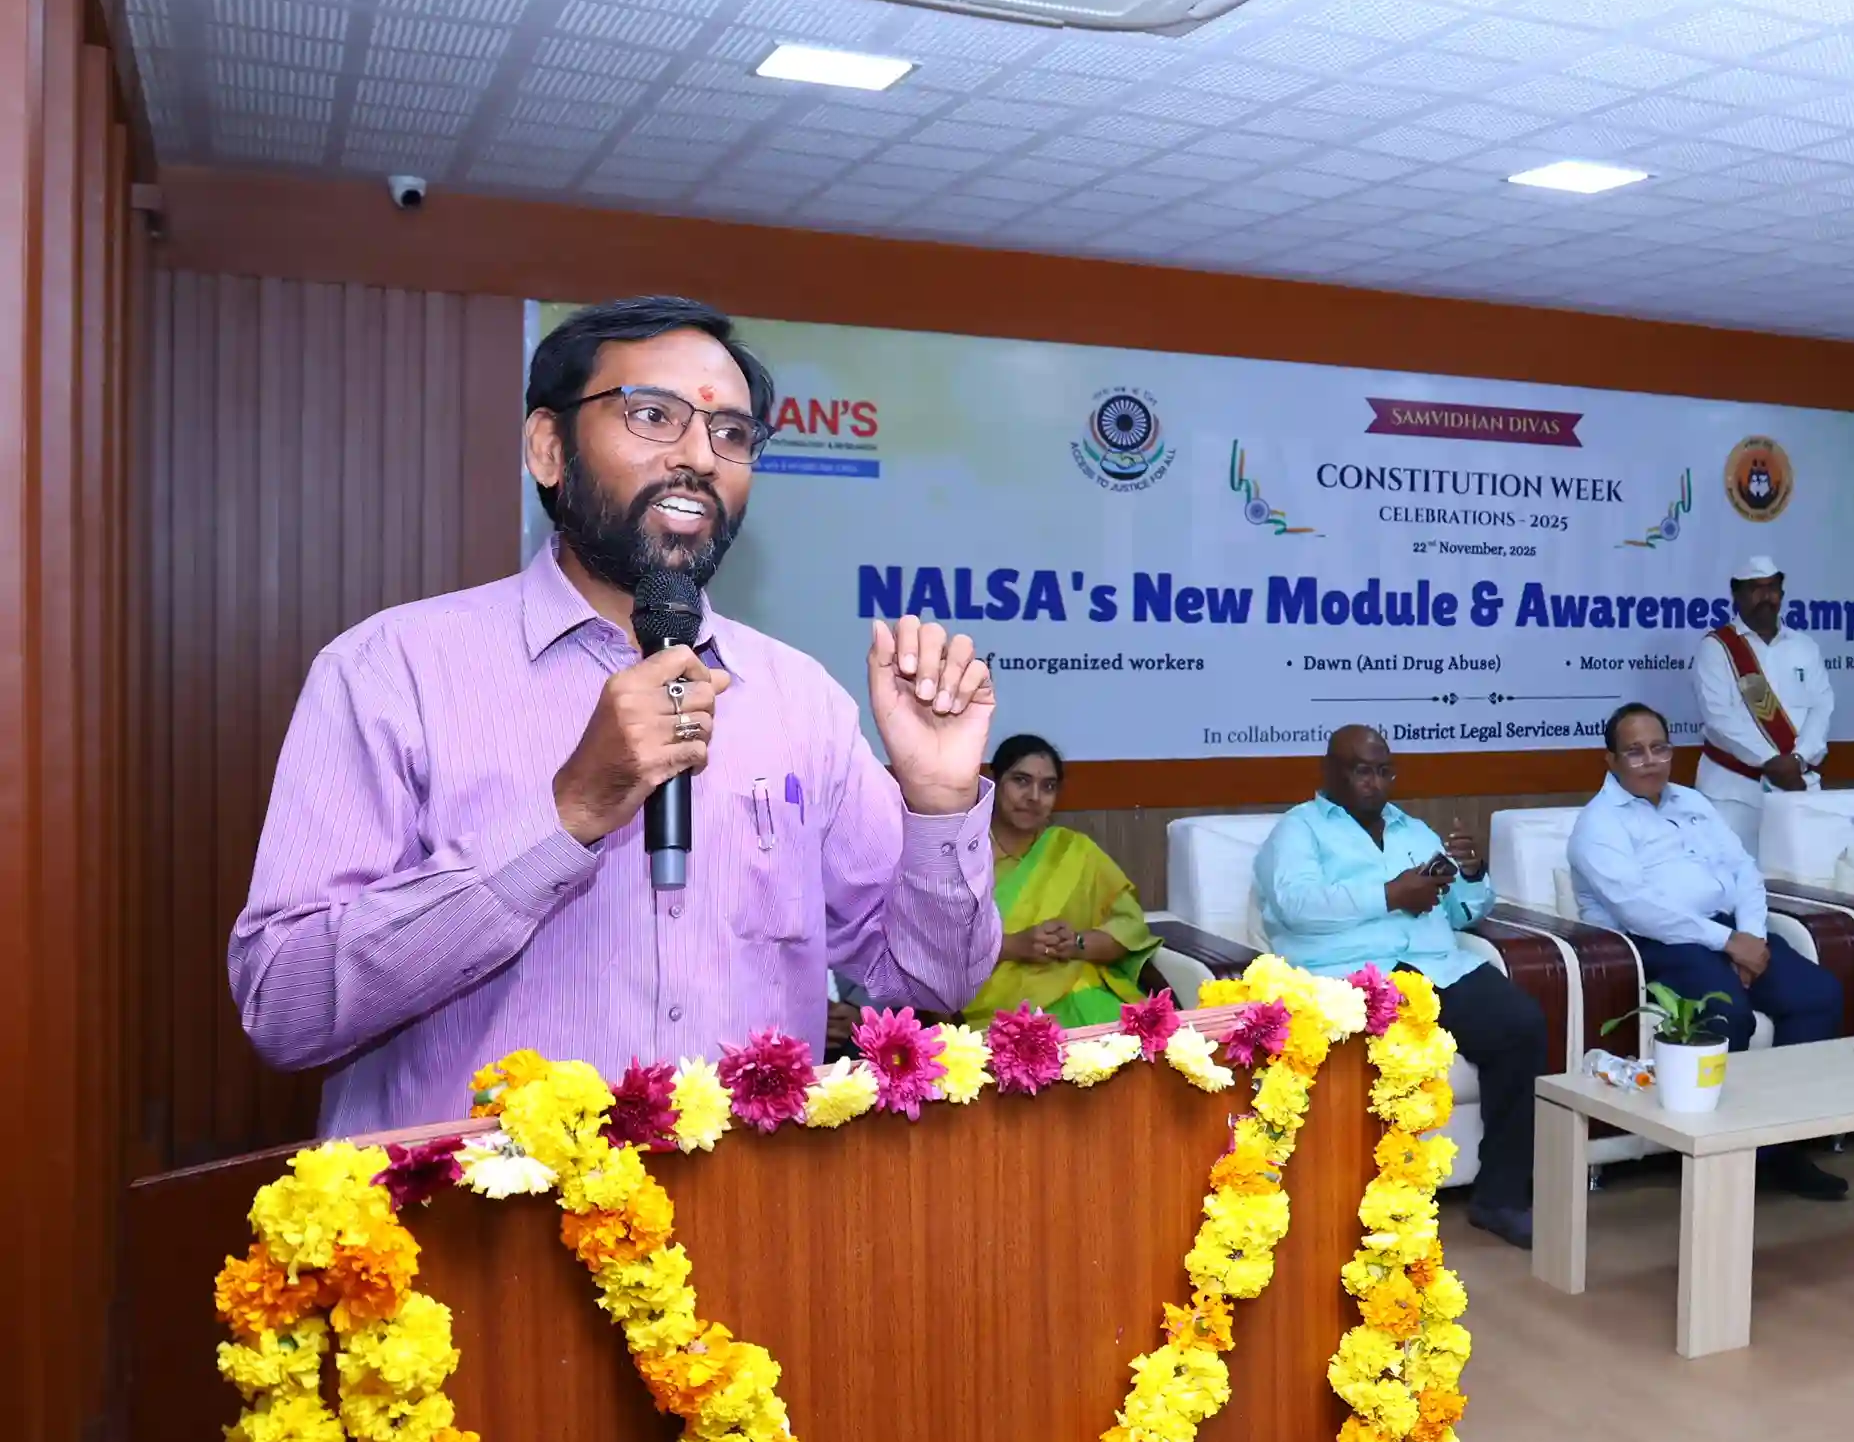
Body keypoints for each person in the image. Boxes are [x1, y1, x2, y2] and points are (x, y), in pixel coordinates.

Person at [230, 296, 1004, 1135]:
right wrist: (566, 815)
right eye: (653, 415)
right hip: (484, 1210)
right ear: (548, 447)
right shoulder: (392, 671)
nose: (699, 457)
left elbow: (929, 984)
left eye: (731, 433)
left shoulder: (801, 699)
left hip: (755, 1205)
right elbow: (285, 1004)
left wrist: (938, 804)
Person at [1253, 725, 1545, 1248]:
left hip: (1436, 967)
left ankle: (1501, 1197)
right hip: (1353, 977)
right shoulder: (1298, 831)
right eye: (1361, 771)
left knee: (1521, 1025)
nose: (1375, 782)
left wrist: (1472, 876)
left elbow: (1460, 914)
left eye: (1384, 771)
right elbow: (1296, 907)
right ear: (1330, 771)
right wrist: (1389, 894)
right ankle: (1354, 1206)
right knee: (1386, 1063)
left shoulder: (1414, 831)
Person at [1570, 703, 1849, 1200]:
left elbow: (1744, 871)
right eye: (1635, 752)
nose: (1650, 760)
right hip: (1658, 945)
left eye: (1659, 748)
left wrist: (1752, 937)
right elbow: (1639, 910)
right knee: (1728, 1014)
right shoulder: (1599, 824)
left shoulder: (1692, 801)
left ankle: (1780, 1150)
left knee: (1818, 995)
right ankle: (1717, 1160)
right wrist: (1729, 944)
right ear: (1610, 760)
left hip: (1730, 933)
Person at [969, 734, 1162, 1029]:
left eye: (1048, 786)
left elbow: (1130, 928)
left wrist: (1075, 943)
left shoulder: (1073, 850)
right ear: (993, 782)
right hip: (995, 1009)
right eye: (1021, 781)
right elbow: (931, 950)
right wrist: (1013, 946)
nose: (1034, 796)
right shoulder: (961, 856)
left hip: (1080, 989)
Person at [1692, 553, 1835, 857]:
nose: (1765, 597)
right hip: (1733, 793)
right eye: (1755, 588)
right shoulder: (1716, 649)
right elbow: (1719, 717)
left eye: (1772, 588)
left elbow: (1821, 707)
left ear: (1781, 594)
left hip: (1796, 787)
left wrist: (1798, 759)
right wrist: (1771, 760)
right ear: (1736, 594)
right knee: (1730, 876)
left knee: (1800, 874)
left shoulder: (1805, 647)